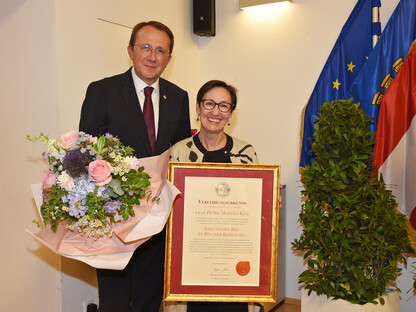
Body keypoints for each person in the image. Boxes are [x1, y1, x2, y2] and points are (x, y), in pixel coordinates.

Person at [79, 21, 191, 312]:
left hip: (158, 217)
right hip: (116, 216)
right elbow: (87, 151)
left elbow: (180, 155)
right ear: (130, 51)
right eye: (145, 47)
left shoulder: (179, 97)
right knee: (114, 298)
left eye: (160, 50)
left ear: (169, 58)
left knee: (150, 295)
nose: (152, 56)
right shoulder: (102, 90)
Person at [169, 80, 258, 312]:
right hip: (192, 259)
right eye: (209, 103)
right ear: (198, 107)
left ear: (231, 113)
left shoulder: (246, 153)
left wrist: (267, 203)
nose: (215, 112)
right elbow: (169, 206)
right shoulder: (178, 152)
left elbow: (254, 206)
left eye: (224, 106)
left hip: (234, 259)